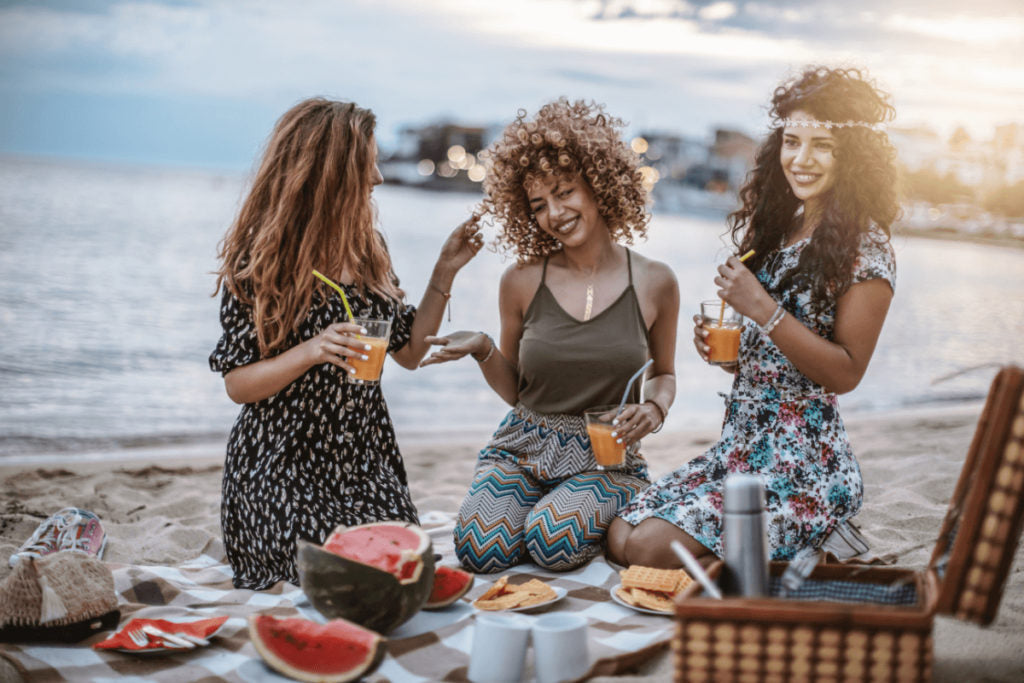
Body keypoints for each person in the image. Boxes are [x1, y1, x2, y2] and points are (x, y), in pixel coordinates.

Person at [609, 66, 899, 568]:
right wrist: (728, 352)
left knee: (647, 548)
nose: (801, 160)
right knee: (620, 530)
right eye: (791, 141)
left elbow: (846, 372)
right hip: (740, 449)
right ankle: (770, 556)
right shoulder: (775, 234)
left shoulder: (867, 249)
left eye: (822, 145)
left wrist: (760, 308)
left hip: (803, 464)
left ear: (851, 155)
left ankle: (820, 539)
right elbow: (771, 359)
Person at [209, 98, 482, 590]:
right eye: (368, 164)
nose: (377, 176)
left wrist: (446, 269)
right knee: (345, 571)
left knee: (403, 569)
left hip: (363, 460)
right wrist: (311, 350)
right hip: (280, 462)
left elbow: (410, 353)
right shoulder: (261, 260)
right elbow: (238, 385)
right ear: (331, 172)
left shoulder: (367, 247)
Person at [421, 98, 679, 573]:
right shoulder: (519, 281)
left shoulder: (655, 281)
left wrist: (654, 408)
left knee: (552, 541)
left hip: (607, 460)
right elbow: (518, 391)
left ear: (599, 185)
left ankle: (592, 508)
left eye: (565, 192)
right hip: (523, 446)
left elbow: (663, 374)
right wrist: (482, 349)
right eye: (539, 204)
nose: (555, 212)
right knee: (481, 550)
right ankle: (546, 513)